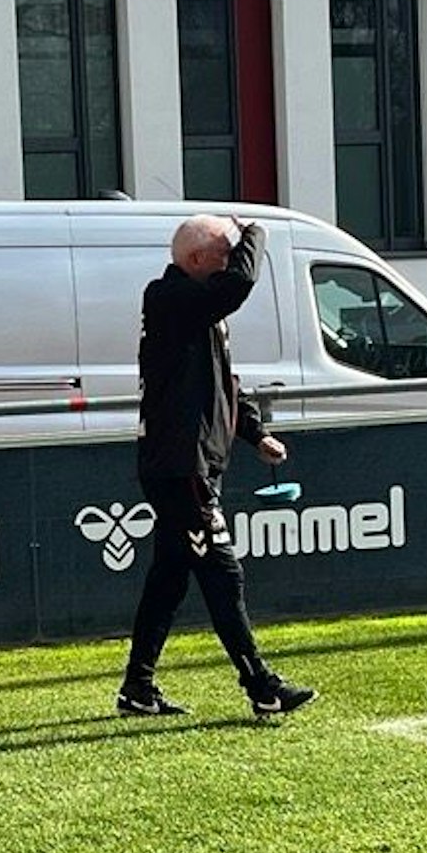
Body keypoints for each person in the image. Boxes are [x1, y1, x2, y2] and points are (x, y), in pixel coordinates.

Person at [117, 214, 315, 719]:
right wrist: (256, 233)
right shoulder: (167, 298)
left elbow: (227, 382)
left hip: (194, 461)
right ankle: (261, 685)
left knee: (170, 577)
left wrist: (255, 434)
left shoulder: (201, 311)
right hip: (178, 464)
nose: (231, 264)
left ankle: (137, 687)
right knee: (223, 572)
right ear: (196, 260)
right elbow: (240, 285)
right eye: (224, 255)